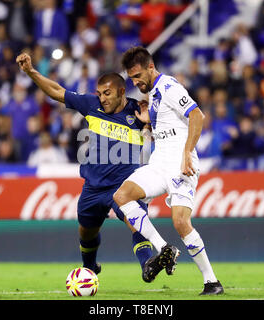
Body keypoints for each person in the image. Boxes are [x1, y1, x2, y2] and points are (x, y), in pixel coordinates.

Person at [16, 52, 168, 281]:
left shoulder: (139, 111)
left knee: (137, 223)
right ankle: (89, 268)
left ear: (121, 92)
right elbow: (57, 91)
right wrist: (30, 71)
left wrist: (150, 125)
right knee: (86, 231)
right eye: (100, 93)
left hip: (124, 186)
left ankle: (148, 264)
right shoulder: (91, 104)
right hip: (93, 187)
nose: (102, 98)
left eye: (107, 93)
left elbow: (164, 136)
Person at [113, 46, 224, 295]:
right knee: (121, 196)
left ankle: (211, 281)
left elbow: (197, 115)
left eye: (138, 75)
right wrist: (148, 123)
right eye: (131, 78)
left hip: (179, 163)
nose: (135, 81)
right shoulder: (153, 95)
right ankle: (164, 248)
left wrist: (187, 153)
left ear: (150, 67)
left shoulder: (170, 87)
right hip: (159, 162)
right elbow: (169, 126)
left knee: (181, 222)